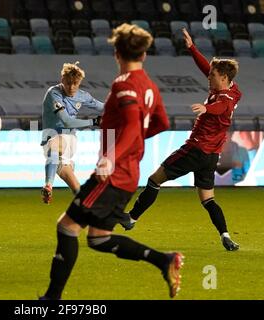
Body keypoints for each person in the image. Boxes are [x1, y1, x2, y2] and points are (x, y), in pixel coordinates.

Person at [40, 24, 183, 300]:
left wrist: (110, 157)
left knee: (66, 227)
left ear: (117, 53)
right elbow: (162, 122)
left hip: (112, 174)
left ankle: (51, 299)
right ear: (144, 55)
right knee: (99, 238)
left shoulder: (124, 84)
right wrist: (134, 143)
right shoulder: (150, 87)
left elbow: (131, 124)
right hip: (128, 175)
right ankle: (164, 260)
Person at [122, 28, 241, 252]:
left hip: (195, 150)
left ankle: (132, 218)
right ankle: (225, 234)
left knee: (155, 179)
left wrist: (206, 107)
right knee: (208, 199)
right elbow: (208, 69)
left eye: (212, 76)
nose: (209, 77)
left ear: (223, 78)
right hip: (211, 156)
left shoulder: (224, 99)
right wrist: (192, 48)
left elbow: (220, 107)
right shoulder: (233, 90)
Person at [41, 62, 103, 204]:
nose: (72, 87)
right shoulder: (54, 93)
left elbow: (104, 107)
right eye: (68, 83)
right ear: (62, 80)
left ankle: (48, 185)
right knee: (74, 184)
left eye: (75, 83)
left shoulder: (83, 96)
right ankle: (90, 206)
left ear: (80, 82)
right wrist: (93, 122)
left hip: (67, 138)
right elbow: (67, 121)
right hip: (49, 138)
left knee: (55, 144)